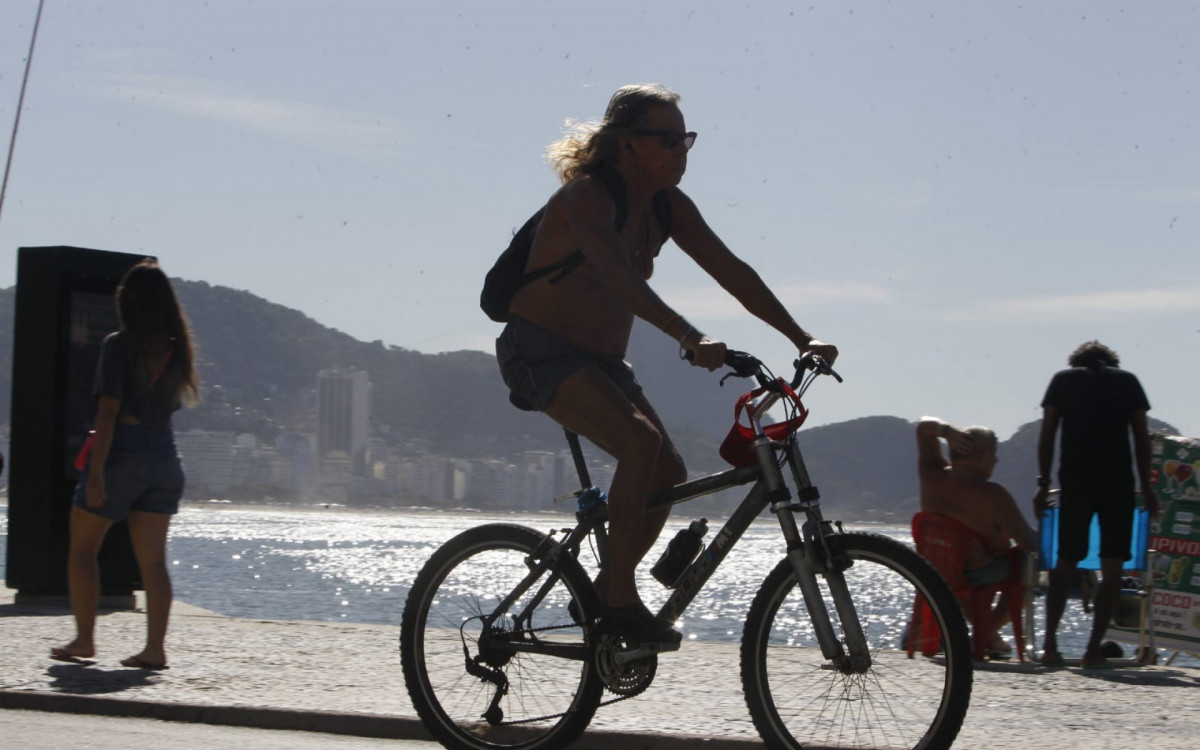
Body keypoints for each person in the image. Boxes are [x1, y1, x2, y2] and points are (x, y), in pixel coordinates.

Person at [495, 84, 837, 643]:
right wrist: (688, 334)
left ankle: (608, 591)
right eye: (669, 140)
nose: (682, 151)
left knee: (668, 471)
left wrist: (803, 337)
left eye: (687, 140)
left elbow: (733, 271)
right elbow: (616, 276)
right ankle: (619, 597)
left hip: (603, 362)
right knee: (639, 444)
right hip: (538, 349)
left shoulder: (667, 207)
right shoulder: (588, 197)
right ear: (627, 144)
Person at [51, 260, 199, 670]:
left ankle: (84, 640)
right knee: (153, 560)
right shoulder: (177, 350)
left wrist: (96, 471)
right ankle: (155, 649)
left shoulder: (119, 345)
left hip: (122, 454)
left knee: (82, 550)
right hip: (166, 457)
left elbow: (109, 410)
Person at [1034, 340, 1158, 669]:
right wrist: (1147, 486)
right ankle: (1091, 652)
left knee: (1064, 564)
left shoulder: (1063, 380)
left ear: (1076, 362)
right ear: (1112, 362)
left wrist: (1043, 483)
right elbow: (1141, 436)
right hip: (1118, 483)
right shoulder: (1128, 381)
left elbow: (1047, 434)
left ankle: (1049, 646)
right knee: (1113, 568)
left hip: (1076, 481)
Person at [916, 417, 1036, 655]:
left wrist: (947, 432)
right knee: (1027, 572)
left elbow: (922, 428)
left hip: (937, 569)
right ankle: (984, 634)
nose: (996, 461)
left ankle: (985, 636)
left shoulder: (931, 476)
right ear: (979, 456)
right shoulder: (993, 495)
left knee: (957, 568)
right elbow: (1028, 542)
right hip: (978, 572)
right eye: (994, 455)